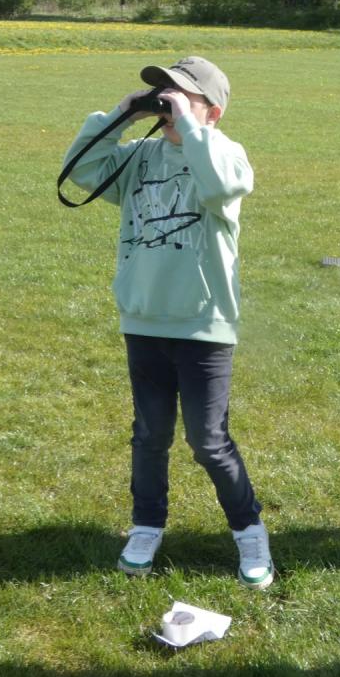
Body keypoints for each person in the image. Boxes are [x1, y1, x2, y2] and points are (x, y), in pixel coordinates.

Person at [61, 56, 273, 589]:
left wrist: (193, 131)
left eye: (181, 96)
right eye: (162, 95)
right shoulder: (140, 155)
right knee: (150, 434)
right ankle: (146, 524)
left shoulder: (226, 153)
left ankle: (249, 529)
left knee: (208, 441)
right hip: (144, 318)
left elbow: (220, 188)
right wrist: (119, 116)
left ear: (213, 112)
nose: (167, 105)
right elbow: (82, 171)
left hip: (203, 323)